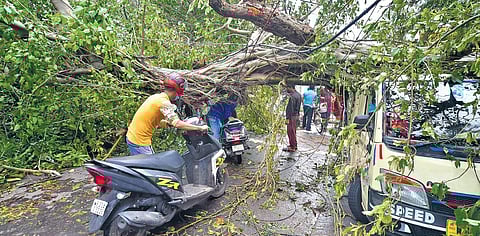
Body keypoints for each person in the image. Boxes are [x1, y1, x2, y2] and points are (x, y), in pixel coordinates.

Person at [126, 73, 209, 155]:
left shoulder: (156, 97)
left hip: (133, 136)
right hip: (139, 141)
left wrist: (166, 123)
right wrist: (200, 128)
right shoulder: (164, 103)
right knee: (153, 167)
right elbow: (177, 123)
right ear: (175, 91)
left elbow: (150, 119)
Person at [283, 85, 301, 152]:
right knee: (293, 131)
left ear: (291, 87)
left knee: (290, 131)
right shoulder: (298, 94)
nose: (287, 89)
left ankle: (292, 146)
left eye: (287, 87)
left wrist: (287, 118)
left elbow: (290, 109)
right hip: (296, 115)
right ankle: (293, 145)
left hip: (292, 116)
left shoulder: (292, 97)